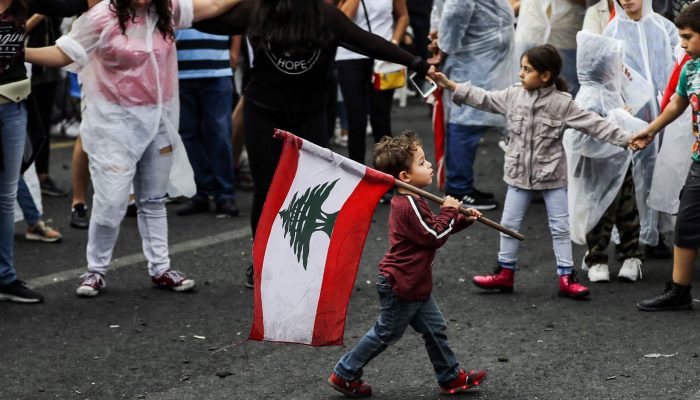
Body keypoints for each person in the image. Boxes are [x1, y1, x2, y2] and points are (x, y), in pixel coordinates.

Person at [193, 0, 431, 288]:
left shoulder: (325, 16)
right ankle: (262, 262)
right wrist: (167, 14)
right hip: (264, 112)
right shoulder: (260, 10)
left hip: (311, 114)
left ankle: (303, 261)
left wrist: (418, 63)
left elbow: (368, 42)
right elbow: (205, 21)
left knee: (311, 192)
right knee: (266, 191)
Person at [24, 0, 242, 298]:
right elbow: (63, 52)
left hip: (159, 120)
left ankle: (161, 268)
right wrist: (18, 53)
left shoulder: (166, 10)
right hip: (113, 124)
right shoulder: (102, 17)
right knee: (111, 201)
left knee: (153, 200)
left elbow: (216, 5)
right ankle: (96, 270)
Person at [433, 44, 637, 299]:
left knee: (560, 228)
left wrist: (627, 138)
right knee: (507, 224)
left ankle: (566, 277)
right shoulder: (513, 95)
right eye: (521, 68)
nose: (520, 73)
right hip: (518, 176)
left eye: (527, 69)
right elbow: (484, 98)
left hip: (552, 178)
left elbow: (595, 125)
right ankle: (504, 272)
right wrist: (451, 85)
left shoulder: (562, 104)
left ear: (545, 75)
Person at [327, 131, 485, 398]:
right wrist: (449, 210)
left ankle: (450, 377)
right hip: (401, 284)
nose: (430, 165)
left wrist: (459, 221)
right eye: (422, 163)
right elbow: (433, 235)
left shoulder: (414, 200)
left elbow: (432, 233)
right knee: (385, 333)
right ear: (404, 177)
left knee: (435, 329)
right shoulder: (407, 204)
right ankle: (344, 373)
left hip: (415, 282)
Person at [0, 0, 100, 304]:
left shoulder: (25, 2)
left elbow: (82, 3)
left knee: (6, 196)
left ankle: (5, 278)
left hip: (14, 105)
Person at [564, 31, 646, 283]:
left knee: (627, 211)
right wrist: (618, 117)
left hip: (620, 163)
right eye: (616, 63)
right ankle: (597, 258)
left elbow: (641, 93)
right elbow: (580, 137)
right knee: (599, 211)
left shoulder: (612, 90)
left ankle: (631, 256)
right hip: (597, 167)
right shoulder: (589, 97)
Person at [634, 2, 700, 311]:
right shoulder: (690, 68)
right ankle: (679, 290)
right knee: (685, 223)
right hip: (699, 162)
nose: (682, 44)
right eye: (680, 37)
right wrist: (651, 130)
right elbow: (678, 103)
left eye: (688, 37)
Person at [603, 0, 679, 259]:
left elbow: (675, 68)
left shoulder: (664, 28)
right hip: (632, 117)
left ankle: (655, 233)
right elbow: (607, 77)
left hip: (664, 113)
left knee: (659, 173)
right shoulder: (612, 32)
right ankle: (628, 237)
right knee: (631, 176)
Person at [434, 0, 516, 211]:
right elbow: (454, 12)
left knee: (471, 120)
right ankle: (459, 190)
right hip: (474, 64)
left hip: (483, 62)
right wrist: (444, 47)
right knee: (466, 122)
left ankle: (461, 185)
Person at [175, 28, 240, 218]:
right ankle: (200, 193)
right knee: (188, 135)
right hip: (181, 70)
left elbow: (235, 16)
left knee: (219, 133)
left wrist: (235, 50)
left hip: (216, 68)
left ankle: (224, 193)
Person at [335, 0, 409, 165]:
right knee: (356, 121)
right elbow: (341, 20)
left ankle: (386, 176)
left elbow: (403, 16)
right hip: (349, 57)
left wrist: (394, 44)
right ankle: (357, 177)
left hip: (382, 58)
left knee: (381, 119)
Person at [514, 0, 587, 97]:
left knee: (566, 91)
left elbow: (593, 3)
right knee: (524, 88)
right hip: (530, 31)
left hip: (566, 38)